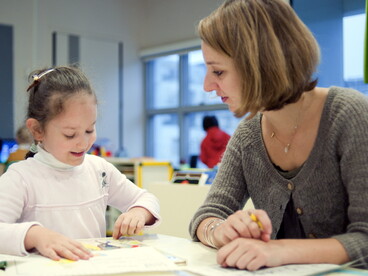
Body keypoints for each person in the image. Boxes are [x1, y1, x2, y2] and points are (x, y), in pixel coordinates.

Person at [189, 0, 368, 271]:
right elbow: (206, 215)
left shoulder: (349, 115)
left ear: (259, 64)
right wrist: (220, 230)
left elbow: (365, 239)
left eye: (218, 71)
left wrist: (278, 250)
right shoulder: (247, 136)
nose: (207, 85)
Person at [0, 66, 161, 261]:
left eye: (89, 130)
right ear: (37, 130)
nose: (83, 143)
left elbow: (146, 199)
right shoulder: (21, 178)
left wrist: (139, 212)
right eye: (70, 134)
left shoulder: (99, 170)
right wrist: (35, 235)